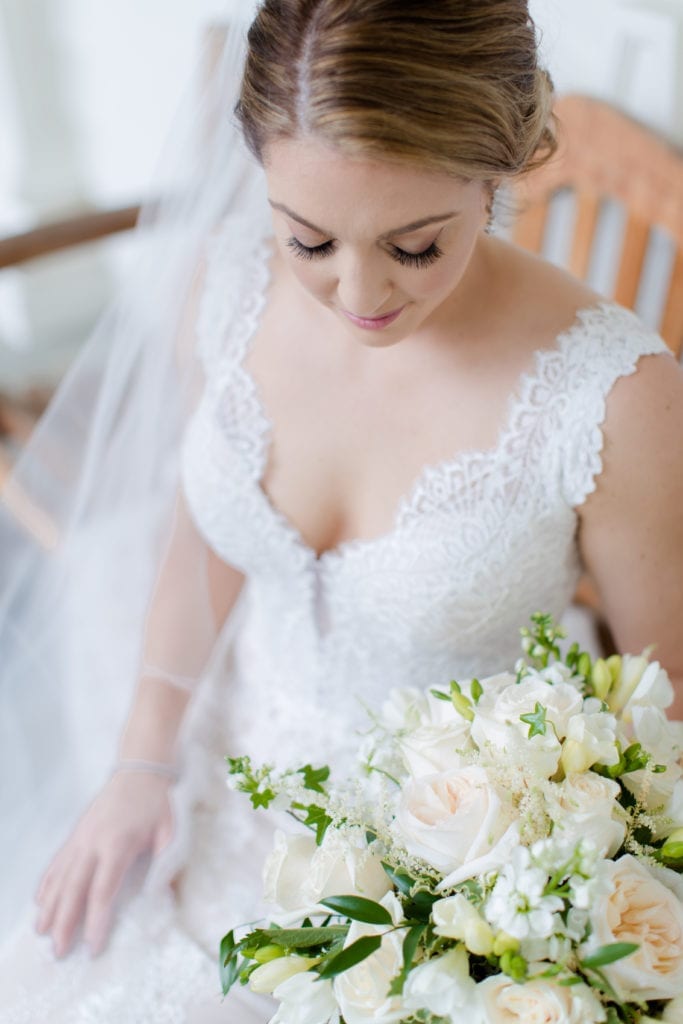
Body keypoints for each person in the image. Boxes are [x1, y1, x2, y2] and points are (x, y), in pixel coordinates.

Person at [1, 0, 682, 1020]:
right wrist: (141, 760)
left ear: (500, 169)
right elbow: (205, 526)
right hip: (216, 777)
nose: (357, 293)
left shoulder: (615, 395)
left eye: (413, 247)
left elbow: (660, 706)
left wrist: (525, 935)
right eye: (306, 238)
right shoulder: (224, 278)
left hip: (449, 884)